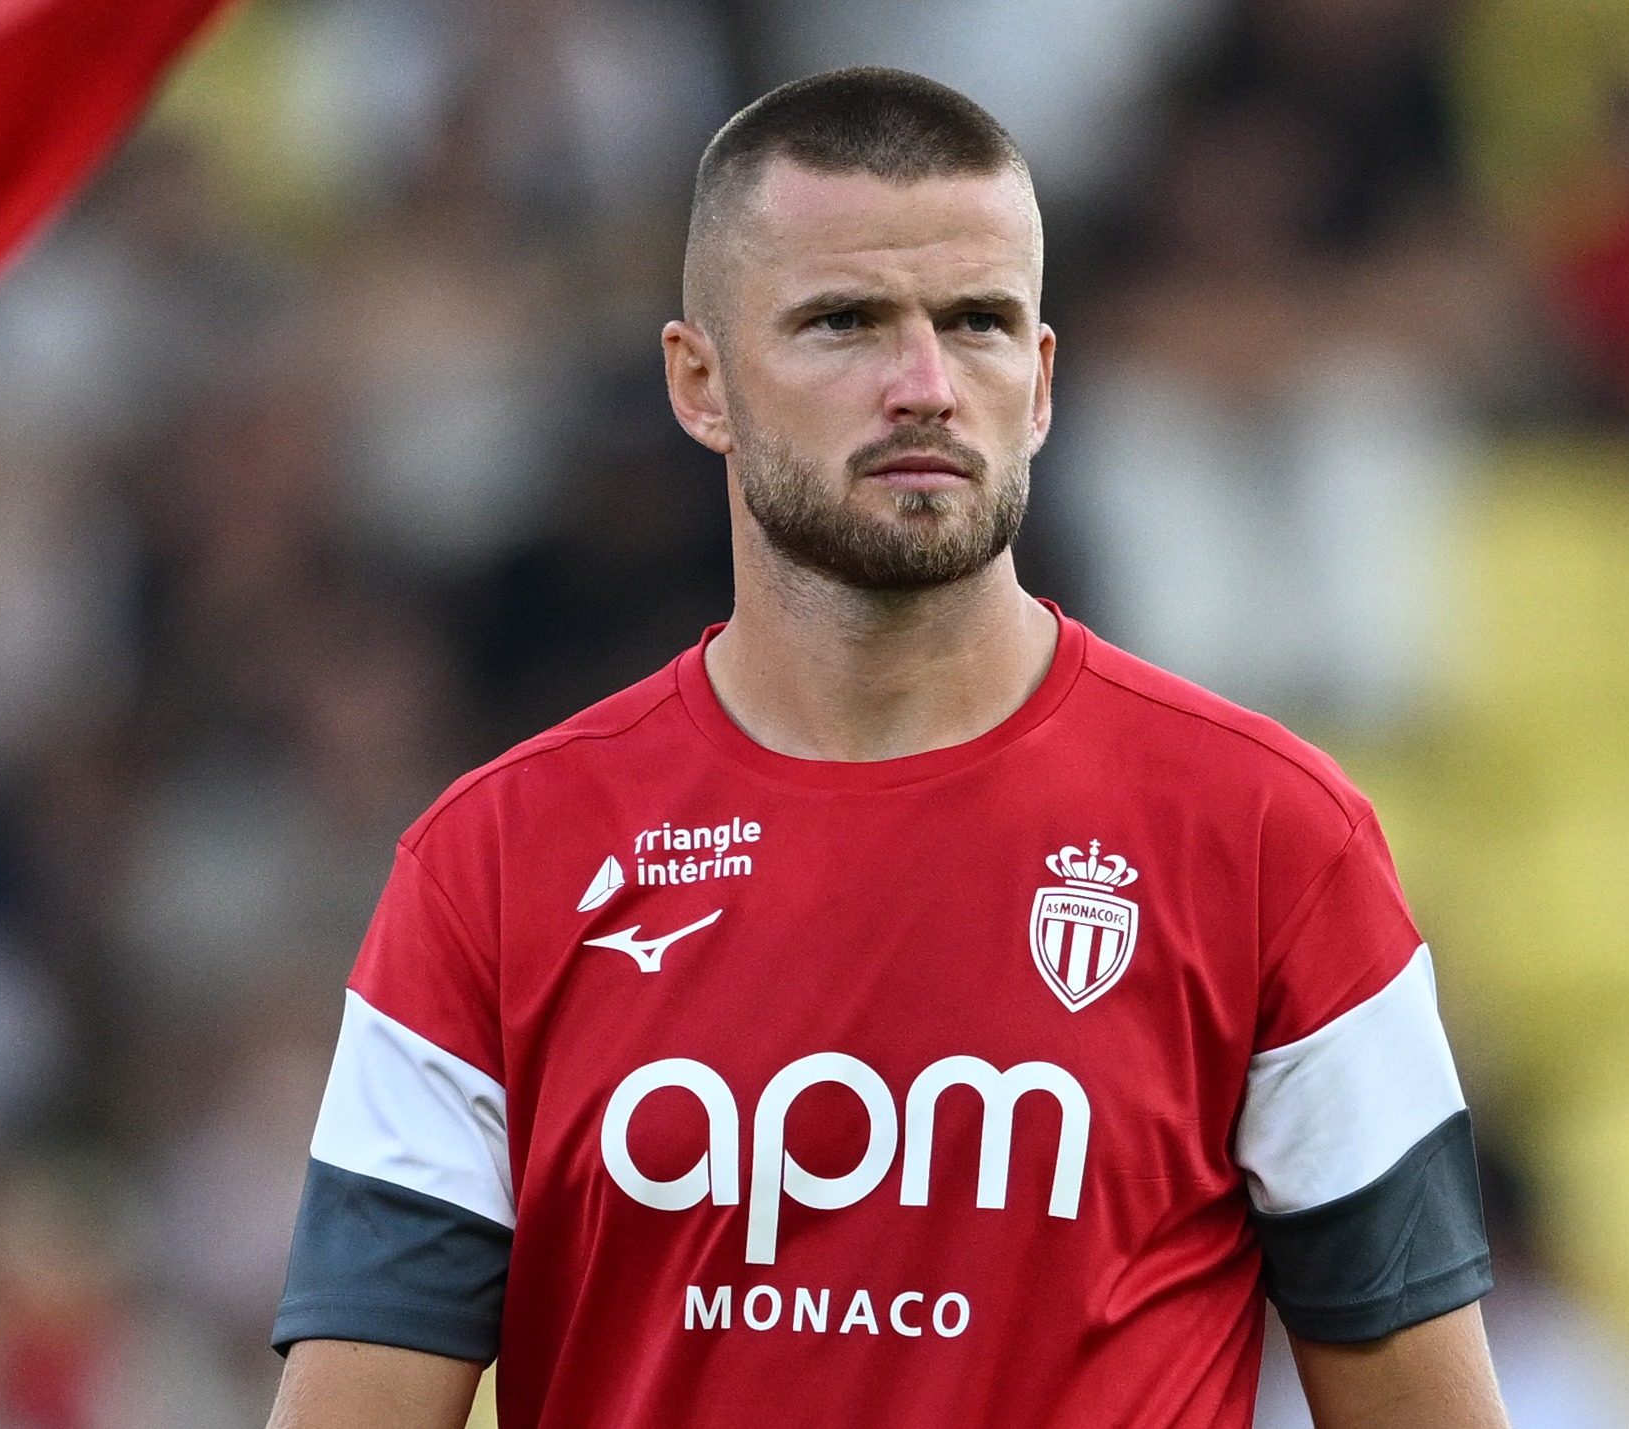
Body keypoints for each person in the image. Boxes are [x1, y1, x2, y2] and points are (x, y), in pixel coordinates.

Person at [264, 68, 1508, 1429]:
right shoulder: (492, 866)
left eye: (976, 323)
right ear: (701, 382)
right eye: (845, 322)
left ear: (1037, 384)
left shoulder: (1276, 840)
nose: (923, 385)